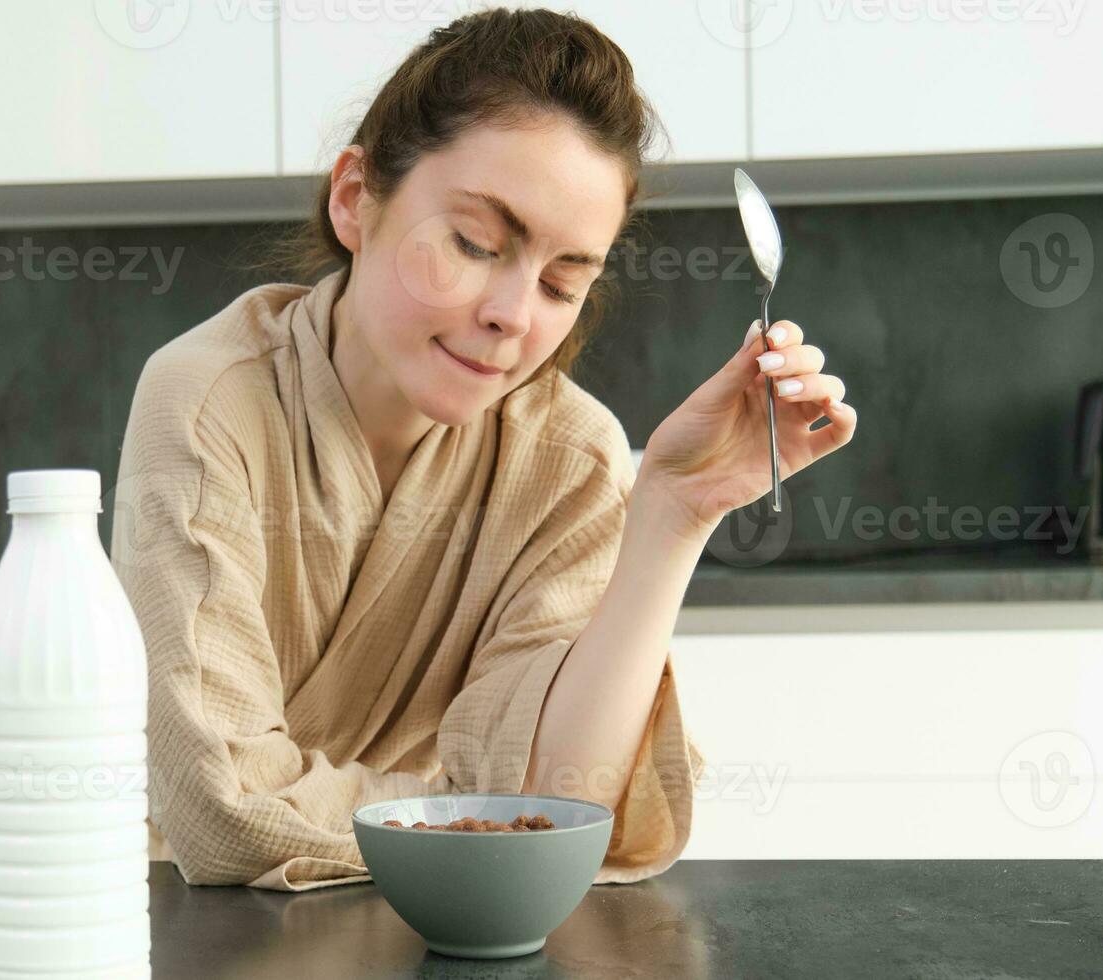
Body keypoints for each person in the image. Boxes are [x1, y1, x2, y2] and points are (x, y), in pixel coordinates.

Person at [110, 8, 857, 891]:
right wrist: (479, 813)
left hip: (467, 928)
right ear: (355, 198)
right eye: (472, 243)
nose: (512, 313)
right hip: (213, 928)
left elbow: (567, 803)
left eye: (560, 281)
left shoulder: (570, 458)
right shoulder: (206, 403)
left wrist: (673, 515)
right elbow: (223, 809)